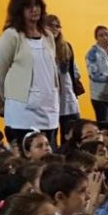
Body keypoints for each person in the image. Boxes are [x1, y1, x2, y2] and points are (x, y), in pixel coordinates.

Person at [0, 0, 59, 148]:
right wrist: (10, 96)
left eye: (37, 5)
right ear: (19, 10)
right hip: (22, 110)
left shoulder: (48, 36)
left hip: (49, 105)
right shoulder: (11, 35)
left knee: (48, 151)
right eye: (28, 7)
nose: (34, 10)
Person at [44, 15, 83, 145]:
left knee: (72, 135)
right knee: (50, 139)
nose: (55, 29)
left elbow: (75, 71)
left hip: (67, 97)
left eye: (58, 26)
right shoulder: (39, 47)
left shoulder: (65, 47)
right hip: (48, 100)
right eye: (51, 25)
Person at [85, 25, 108, 124]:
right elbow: (94, 75)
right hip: (100, 97)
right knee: (105, 126)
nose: (105, 37)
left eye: (107, 34)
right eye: (101, 35)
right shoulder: (92, 53)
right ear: (96, 38)